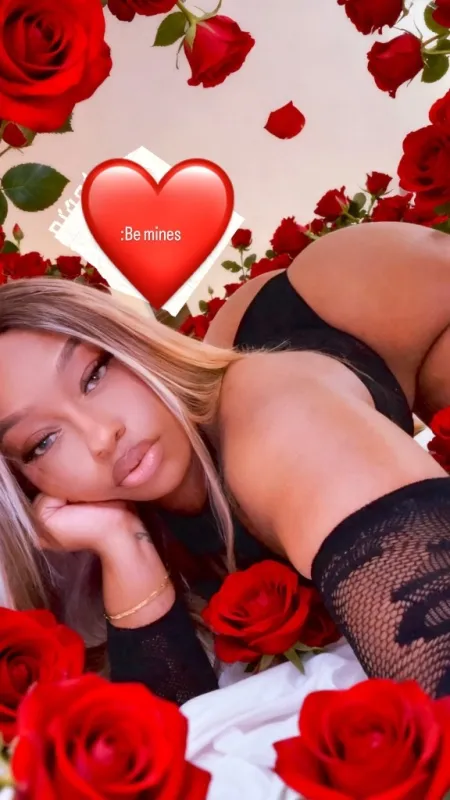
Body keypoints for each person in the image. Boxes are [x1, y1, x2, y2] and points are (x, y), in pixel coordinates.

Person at [0, 220, 449, 705]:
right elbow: (173, 723)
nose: (100, 437)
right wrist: (122, 547)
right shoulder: (118, 503)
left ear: (132, 343)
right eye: (43, 442)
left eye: (94, 375)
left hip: (378, 291)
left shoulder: (280, 431)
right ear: (26, 481)